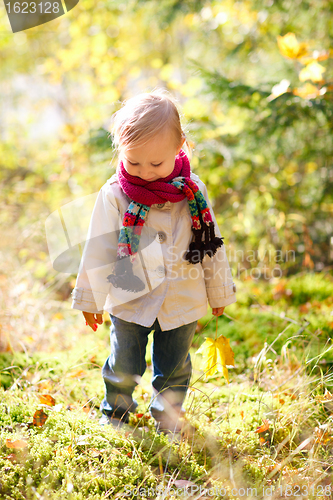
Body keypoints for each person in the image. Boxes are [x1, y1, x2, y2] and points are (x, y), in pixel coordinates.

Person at [71, 89, 237, 434]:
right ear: (120, 150)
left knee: (175, 366)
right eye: (134, 162)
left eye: (156, 163)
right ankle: (115, 414)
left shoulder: (193, 192)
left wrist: (218, 292)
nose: (144, 172)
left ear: (179, 148)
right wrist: (90, 298)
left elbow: (211, 245)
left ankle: (168, 417)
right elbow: (98, 249)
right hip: (129, 298)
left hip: (182, 297)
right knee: (123, 360)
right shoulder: (115, 194)